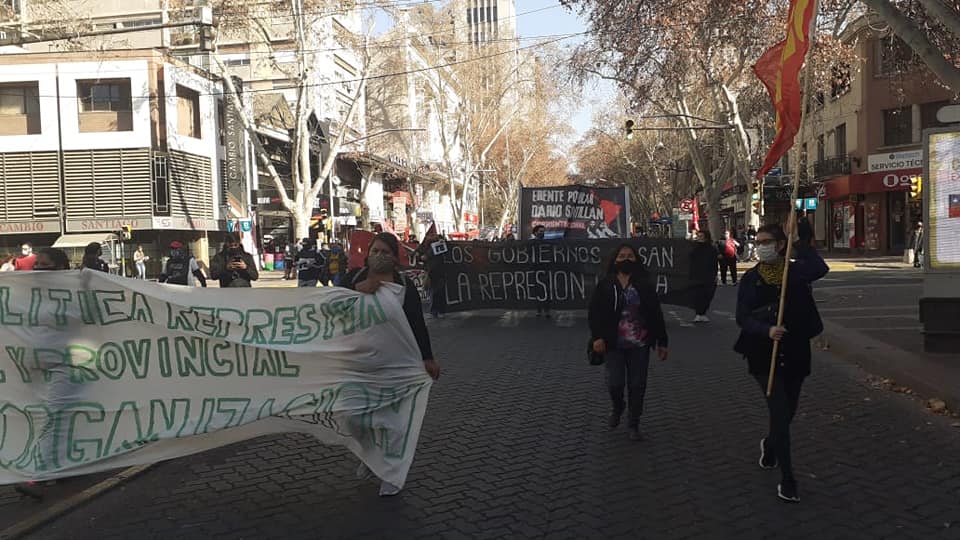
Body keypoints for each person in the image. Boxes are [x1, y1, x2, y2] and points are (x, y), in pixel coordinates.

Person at [734, 223, 828, 504]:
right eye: (758, 240)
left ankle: (770, 445)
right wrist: (766, 330)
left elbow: (820, 268)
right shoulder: (750, 279)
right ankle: (788, 479)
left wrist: (798, 242)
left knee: (789, 412)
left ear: (779, 244)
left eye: (767, 241)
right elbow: (742, 317)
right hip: (764, 354)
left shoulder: (795, 270)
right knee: (780, 412)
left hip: (796, 349)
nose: (761, 245)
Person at [344, 232, 441, 497]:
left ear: (395, 258)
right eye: (375, 251)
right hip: (360, 364)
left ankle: (391, 473)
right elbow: (332, 309)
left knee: (395, 423)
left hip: (396, 365)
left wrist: (427, 358)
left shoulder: (404, 286)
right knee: (355, 419)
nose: (379, 256)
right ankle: (369, 456)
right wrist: (357, 290)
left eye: (385, 252)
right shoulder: (352, 279)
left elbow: (417, 324)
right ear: (368, 254)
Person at [588, 244, 669, 441]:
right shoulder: (606, 284)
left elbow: (656, 314)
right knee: (615, 383)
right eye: (622, 256)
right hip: (613, 343)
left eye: (630, 256)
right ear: (615, 260)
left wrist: (662, 341)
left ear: (636, 260)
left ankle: (634, 422)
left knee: (638, 384)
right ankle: (618, 405)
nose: (626, 259)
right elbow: (594, 312)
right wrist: (597, 337)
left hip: (639, 344)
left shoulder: (644, 285)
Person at [690, 230, 719, 323]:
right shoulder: (693, 247)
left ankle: (703, 312)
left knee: (708, 294)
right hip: (697, 274)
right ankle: (699, 313)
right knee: (698, 294)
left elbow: (715, 262)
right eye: (698, 235)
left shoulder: (712, 248)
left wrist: (715, 274)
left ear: (706, 237)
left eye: (701, 235)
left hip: (709, 274)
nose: (699, 237)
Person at [530, 225, 551, 318]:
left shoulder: (547, 243)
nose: (542, 233)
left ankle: (546, 310)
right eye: (540, 231)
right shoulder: (530, 243)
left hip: (545, 271)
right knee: (537, 291)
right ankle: (539, 310)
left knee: (547, 291)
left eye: (543, 231)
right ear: (535, 233)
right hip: (535, 271)